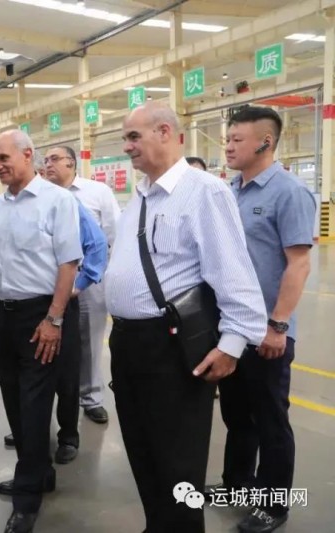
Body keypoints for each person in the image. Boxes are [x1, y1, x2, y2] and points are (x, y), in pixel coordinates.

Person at [105, 102, 267, 533]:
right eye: (125, 138)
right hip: (129, 344)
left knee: (177, 461)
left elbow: (234, 274)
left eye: (133, 137)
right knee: (143, 451)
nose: (127, 147)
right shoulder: (140, 195)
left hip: (170, 346)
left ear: (164, 132)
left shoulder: (203, 192)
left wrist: (232, 345)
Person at [205, 106, 315, 533]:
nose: (228, 146)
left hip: (268, 330)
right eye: (228, 139)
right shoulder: (230, 190)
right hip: (232, 327)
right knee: (237, 415)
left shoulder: (289, 192)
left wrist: (278, 325)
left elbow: (298, 264)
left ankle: (273, 504)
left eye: (237, 139)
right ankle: (237, 484)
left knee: (270, 420)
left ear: (265, 142)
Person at [0, 130, 83, 533]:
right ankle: (38, 473)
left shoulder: (58, 201)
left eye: (4, 158)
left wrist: (54, 320)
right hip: (5, 316)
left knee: (34, 407)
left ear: (27, 155)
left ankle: (26, 499)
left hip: (41, 315)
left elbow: (69, 263)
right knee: (15, 403)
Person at [4, 149, 109, 465]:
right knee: (29, 373)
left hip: (59, 302)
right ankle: (31, 430)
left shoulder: (66, 202)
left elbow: (97, 245)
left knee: (65, 374)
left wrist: (78, 286)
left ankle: (68, 436)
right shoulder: (8, 206)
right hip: (25, 305)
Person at [44, 145, 120, 426]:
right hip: (49, 281)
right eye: (46, 160)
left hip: (88, 280)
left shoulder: (97, 192)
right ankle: (52, 403)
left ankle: (91, 398)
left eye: (55, 159)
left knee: (89, 339)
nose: (48, 164)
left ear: (72, 163)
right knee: (49, 342)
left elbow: (113, 235)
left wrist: (98, 274)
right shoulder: (42, 195)